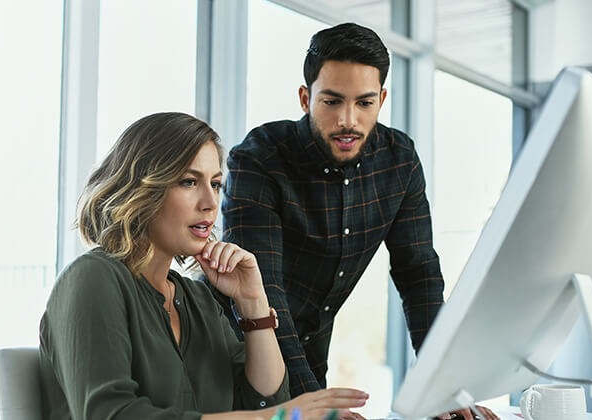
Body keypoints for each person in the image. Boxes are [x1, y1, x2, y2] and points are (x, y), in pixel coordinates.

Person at [219, 24, 498, 420]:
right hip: (234, 347)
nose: (348, 120)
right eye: (332, 102)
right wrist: (315, 405)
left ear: (381, 99)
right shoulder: (261, 157)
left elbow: (418, 274)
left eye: (364, 103)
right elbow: (265, 290)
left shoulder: (399, 161)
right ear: (305, 98)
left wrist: (444, 389)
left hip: (309, 355)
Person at [38, 112, 369, 420]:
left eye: (215, 184)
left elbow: (264, 400)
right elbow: (110, 414)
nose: (211, 204)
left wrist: (253, 303)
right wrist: (276, 417)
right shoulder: (93, 278)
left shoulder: (198, 299)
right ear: (142, 189)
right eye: (188, 182)